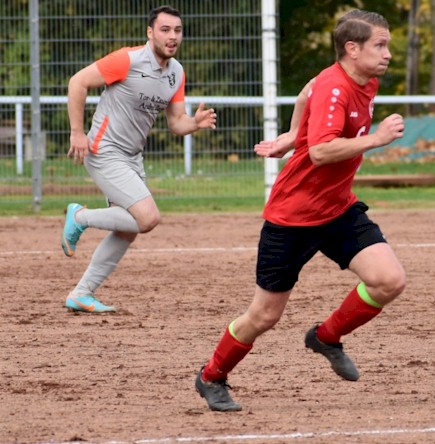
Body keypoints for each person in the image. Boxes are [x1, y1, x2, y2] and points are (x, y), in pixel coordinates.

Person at [194, 9, 406, 412]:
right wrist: (376, 139)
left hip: (338, 210)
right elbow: (324, 151)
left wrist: (293, 134)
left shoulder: (365, 80)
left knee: (389, 280)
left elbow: (306, 89)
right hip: (292, 218)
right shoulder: (336, 86)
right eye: (380, 45)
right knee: (263, 316)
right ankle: (211, 376)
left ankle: (326, 337)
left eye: (387, 45)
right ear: (351, 48)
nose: (388, 53)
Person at [61, 5, 217, 313]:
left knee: (128, 229)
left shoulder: (176, 73)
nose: (172, 37)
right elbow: (77, 82)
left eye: (178, 31)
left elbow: (176, 123)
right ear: (150, 33)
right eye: (165, 30)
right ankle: (79, 217)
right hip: (104, 150)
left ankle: (82, 293)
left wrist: (195, 124)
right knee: (148, 218)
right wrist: (77, 133)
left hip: (132, 157)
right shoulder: (127, 59)